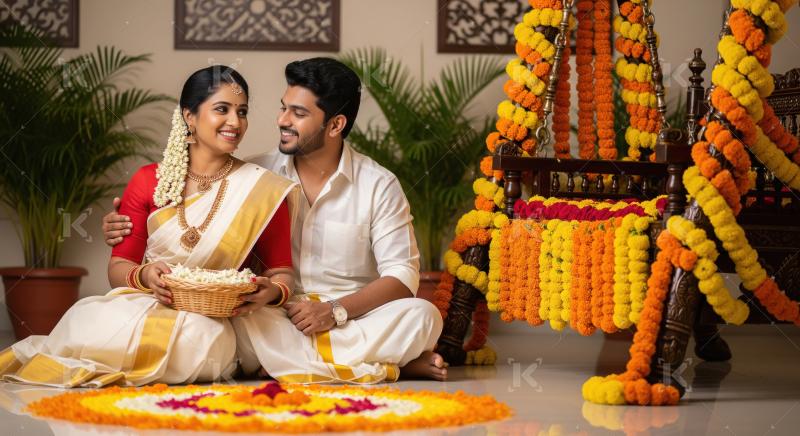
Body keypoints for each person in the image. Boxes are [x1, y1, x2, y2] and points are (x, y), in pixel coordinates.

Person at [104, 58, 448, 381]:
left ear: (335, 124)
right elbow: (190, 225)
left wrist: (334, 311)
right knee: (228, 326)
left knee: (422, 316)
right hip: (274, 316)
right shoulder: (254, 173)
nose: (282, 120)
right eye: (284, 108)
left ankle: (297, 363)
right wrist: (131, 225)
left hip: (353, 316)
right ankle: (383, 364)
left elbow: (402, 275)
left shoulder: (378, 185)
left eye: (297, 113)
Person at [0, 66, 297, 387]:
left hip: (218, 315)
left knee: (200, 340)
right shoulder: (148, 181)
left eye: (242, 112)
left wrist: (274, 292)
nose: (235, 123)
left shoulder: (261, 188)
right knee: (87, 321)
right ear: (190, 117)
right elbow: (118, 266)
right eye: (221, 110)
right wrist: (143, 275)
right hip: (152, 301)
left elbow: (281, 271)